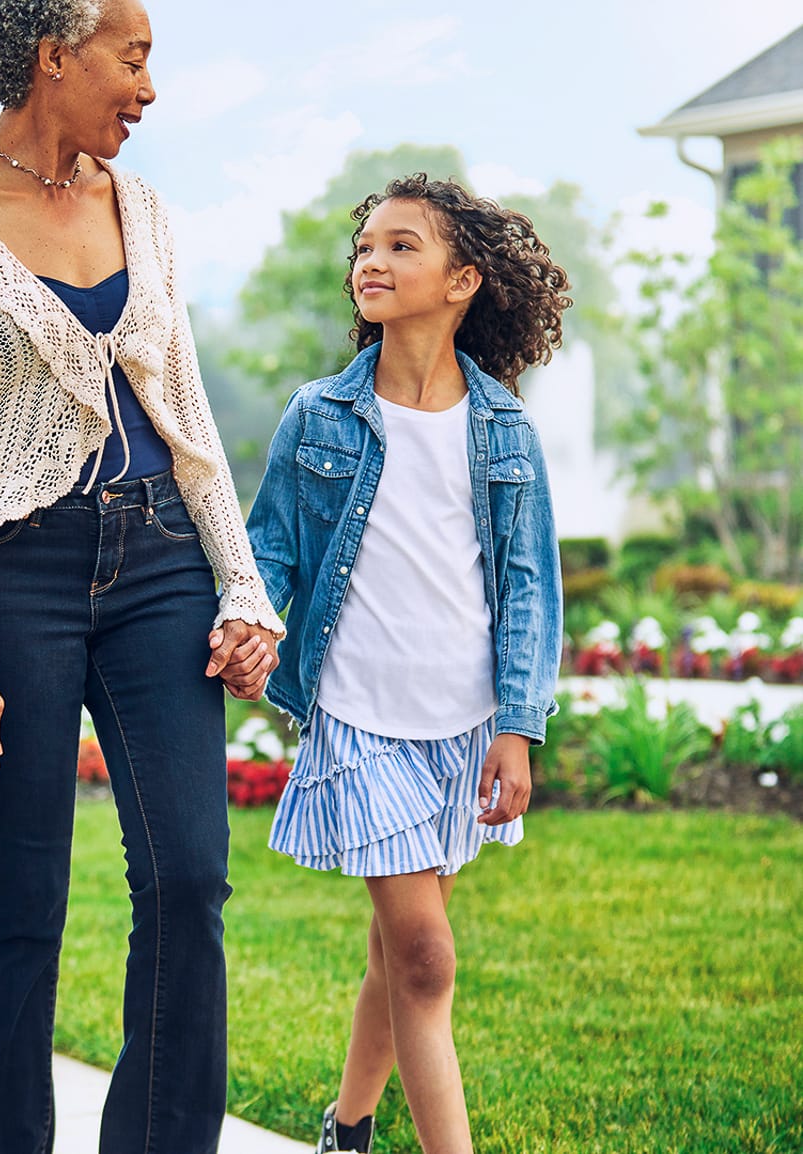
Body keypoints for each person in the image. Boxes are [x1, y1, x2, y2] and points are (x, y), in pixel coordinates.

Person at [0, 1, 283, 1149]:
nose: (149, 90)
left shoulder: (140, 206)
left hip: (159, 562)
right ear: (55, 55)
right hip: (9, 575)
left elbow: (181, 407)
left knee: (190, 878)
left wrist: (241, 584)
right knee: (21, 909)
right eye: (134, 60)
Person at [242, 175, 567, 1154]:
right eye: (365, 248)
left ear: (463, 279)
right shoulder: (319, 416)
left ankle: (347, 1126)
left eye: (400, 247)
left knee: (401, 952)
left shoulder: (503, 430)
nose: (370, 263)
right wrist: (244, 614)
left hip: (462, 724)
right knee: (427, 956)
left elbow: (527, 591)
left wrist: (516, 723)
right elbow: (271, 548)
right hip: (361, 714)